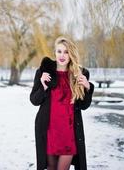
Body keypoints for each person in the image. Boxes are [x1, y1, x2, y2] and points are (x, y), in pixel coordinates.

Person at [30, 36, 94, 170]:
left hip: (69, 133)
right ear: (55, 52)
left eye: (66, 52)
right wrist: (43, 86)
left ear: (71, 54)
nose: (62, 55)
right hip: (49, 131)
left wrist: (88, 87)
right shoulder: (44, 72)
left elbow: (84, 106)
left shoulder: (79, 74)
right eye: (59, 51)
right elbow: (34, 100)